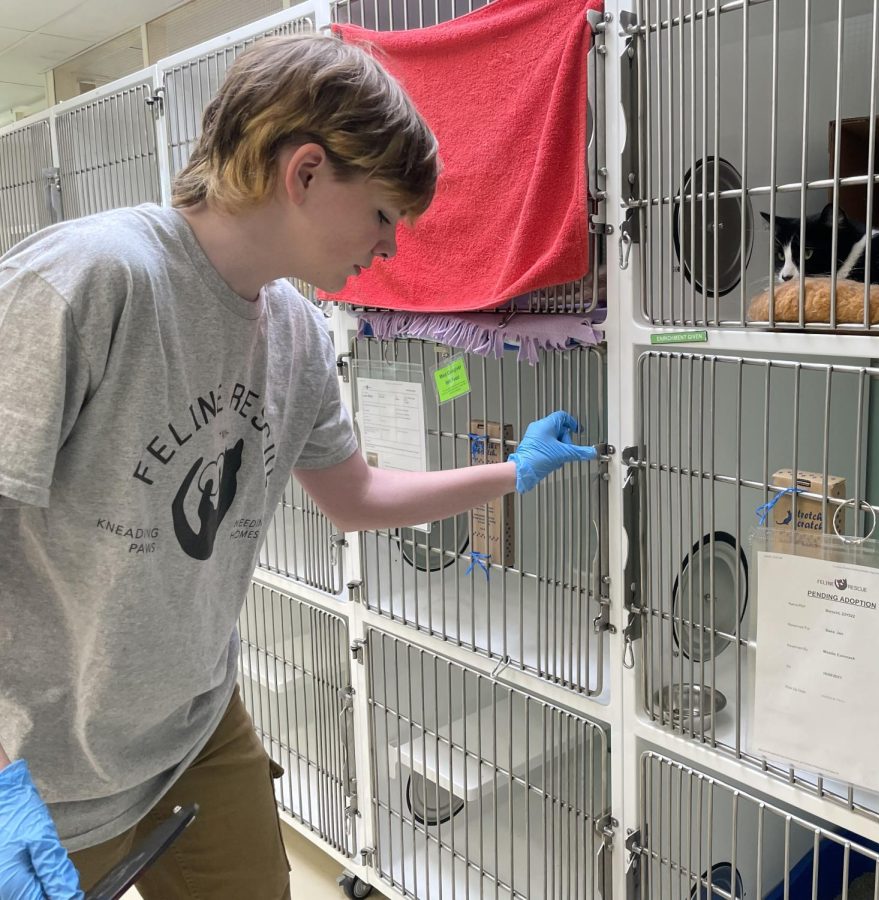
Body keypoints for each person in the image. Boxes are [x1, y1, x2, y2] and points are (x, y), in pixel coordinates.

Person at [0, 32, 596, 899]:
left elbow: (355, 498)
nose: (391, 249)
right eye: (385, 215)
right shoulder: (89, 282)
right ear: (306, 172)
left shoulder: (297, 333)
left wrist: (510, 473)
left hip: (195, 729)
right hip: (41, 766)